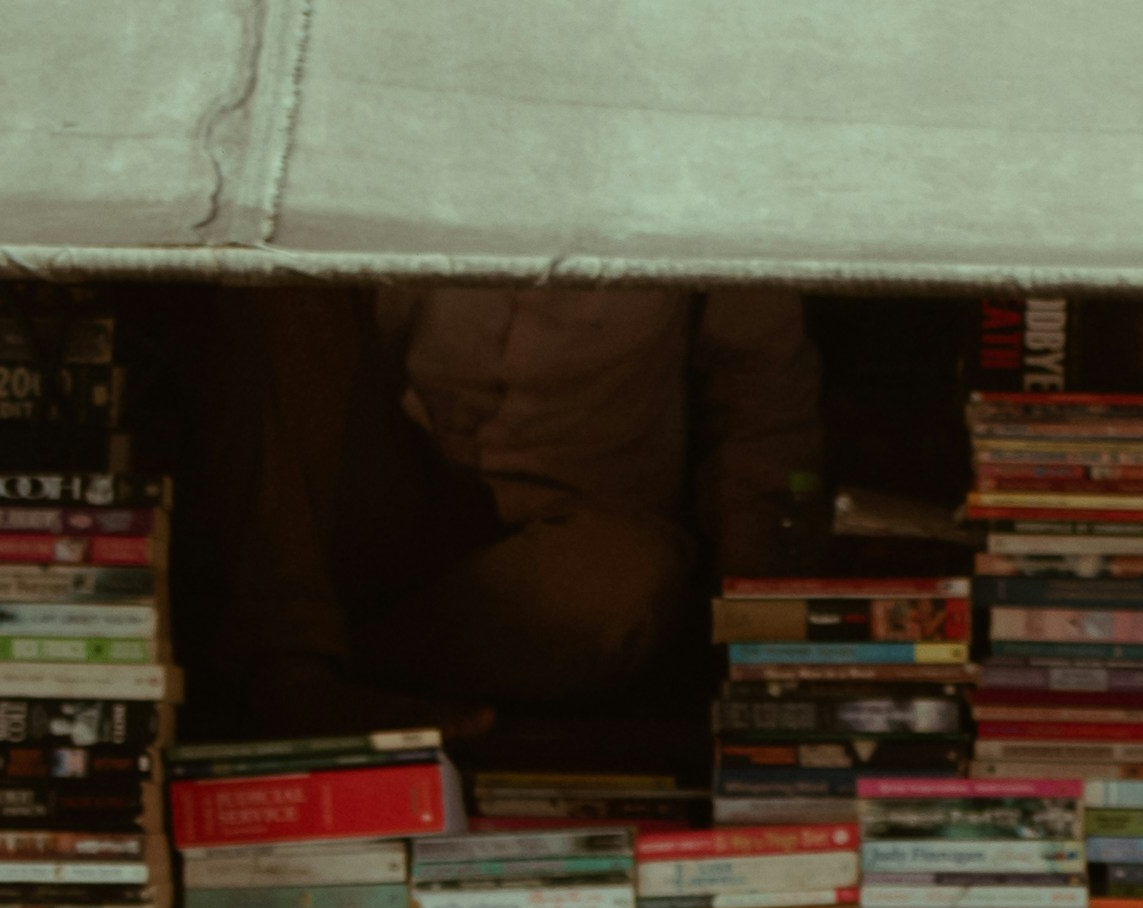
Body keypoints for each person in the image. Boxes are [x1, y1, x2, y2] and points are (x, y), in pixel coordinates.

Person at [196, 284, 824, 732]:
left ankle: (327, 667)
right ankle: (292, 657)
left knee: (615, 584)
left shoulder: (702, 159)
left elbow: (760, 393)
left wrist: (765, 639)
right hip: (377, 506)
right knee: (272, 276)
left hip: (567, 541)